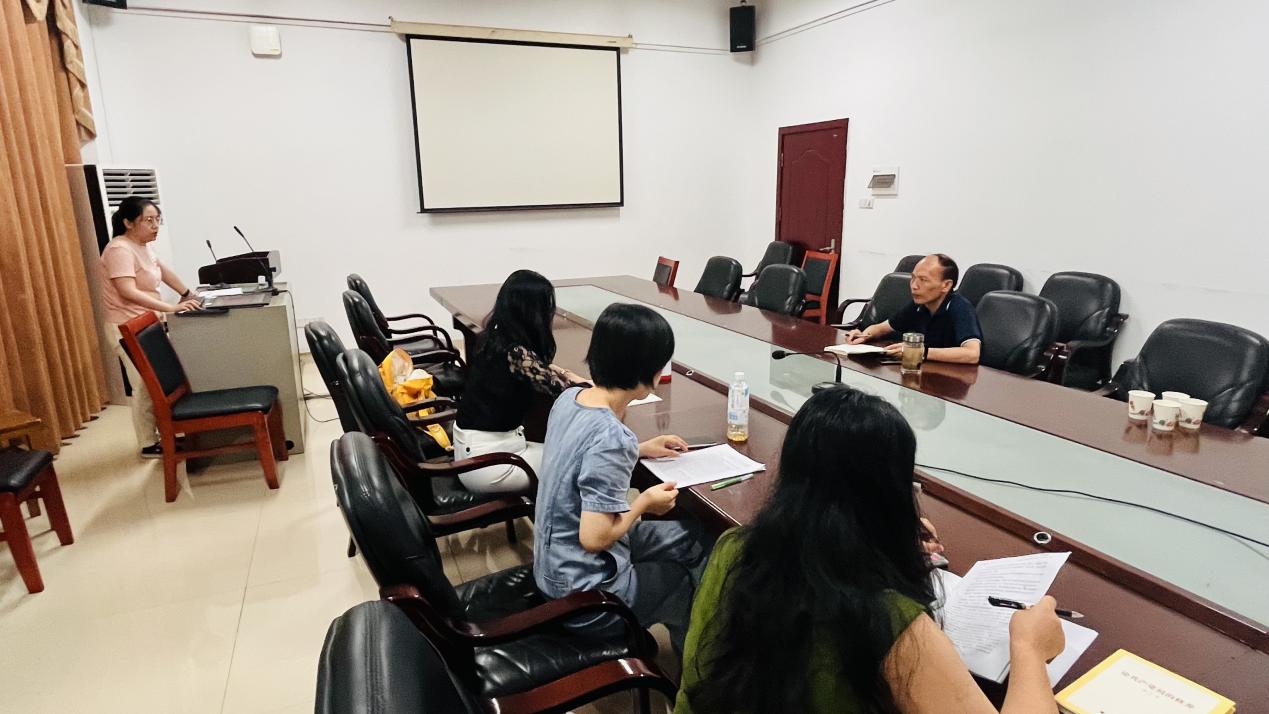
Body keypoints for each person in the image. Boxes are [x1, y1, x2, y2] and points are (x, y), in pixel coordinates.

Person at [676, 387, 1065, 714]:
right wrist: (1029, 649)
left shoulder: (734, 548)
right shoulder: (888, 619)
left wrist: (883, 546)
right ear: (890, 495)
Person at [533, 303, 709, 656]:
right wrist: (643, 503)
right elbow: (595, 537)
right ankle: (695, 671)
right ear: (652, 371)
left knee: (694, 536)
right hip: (587, 597)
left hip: (554, 568)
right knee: (685, 585)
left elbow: (581, 459)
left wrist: (640, 449)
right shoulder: (612, 438)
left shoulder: (570, 398)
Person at [453, 270, 588, 493]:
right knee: (582, 461)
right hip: (489, 464)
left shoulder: (496, 336)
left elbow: (537, 369)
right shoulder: (516, 353)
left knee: (568, 451)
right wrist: (585, 385)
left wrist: (561, 371)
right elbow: (568, 393)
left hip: (475, 451)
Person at [100, 196, 202, 458]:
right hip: (126, 326)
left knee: (159, 383)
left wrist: (188, 294)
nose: (155, 226)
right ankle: (148, 443)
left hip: (146, 323)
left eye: (157, 220)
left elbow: (163, 271)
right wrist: (169, 307)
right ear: (128, 223)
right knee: (145, 385)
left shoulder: (143, 246)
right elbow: (127, 290)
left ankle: (168, 432)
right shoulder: (119, 249)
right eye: (148, 220)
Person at [845, 254, 982, 364]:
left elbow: (972, 354)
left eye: (923, 280)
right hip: (925, 371)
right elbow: (882, 328)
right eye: (913, 278)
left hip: (953, 380)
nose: (914, 286)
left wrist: (919, 352)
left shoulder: (960, 307)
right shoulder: (919, 305)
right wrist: (864, 335)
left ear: (946, 285)